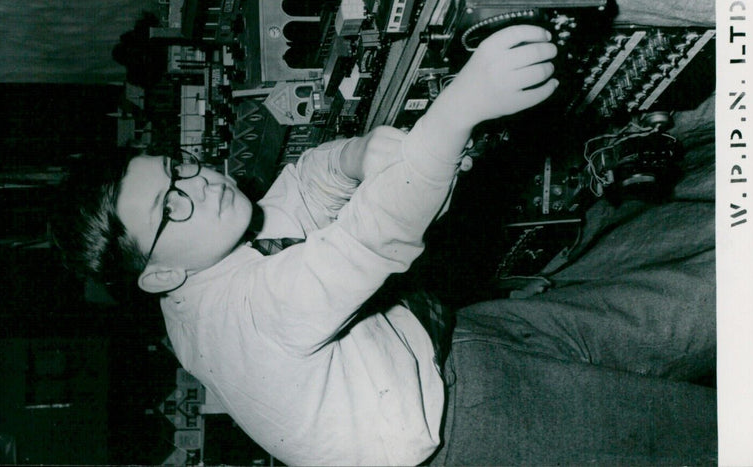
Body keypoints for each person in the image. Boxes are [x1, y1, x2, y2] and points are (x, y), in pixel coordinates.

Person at [56, 26, 717, 466]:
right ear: (158, 275)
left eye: (177, 168)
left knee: (695, 308)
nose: (197, 185)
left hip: (449, 343)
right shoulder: (242, 319)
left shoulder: (201, 256)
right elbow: (371, 238)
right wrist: (459, 107)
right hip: (471, 426)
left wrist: (354, 157)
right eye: (170, 206)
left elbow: (294, 191)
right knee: (709, 436)